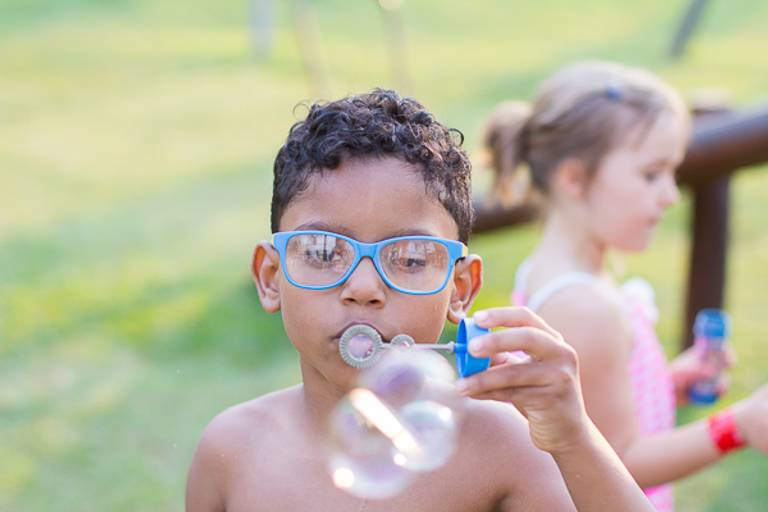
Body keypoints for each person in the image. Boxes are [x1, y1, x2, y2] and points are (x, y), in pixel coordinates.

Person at [186, 89, 655, 511]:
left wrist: (574, 439)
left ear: (461, 289)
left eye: (410, 257)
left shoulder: (503, 447)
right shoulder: (231, 451)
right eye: (325, 251)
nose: (364, 288)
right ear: (271, 277)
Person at [481, 60, 768, 511]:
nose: (670, 194)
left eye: (673, 173)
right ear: (574, 178)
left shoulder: (556, 274)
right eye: (651, 174)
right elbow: (617, 461)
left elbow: (587, 408)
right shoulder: (584, 306)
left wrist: (665, 381)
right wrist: (738, 426)